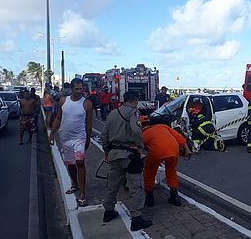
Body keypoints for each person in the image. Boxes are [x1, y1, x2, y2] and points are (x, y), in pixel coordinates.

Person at [101, 91, 153, 231]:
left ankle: (108, 211)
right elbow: (136, 131)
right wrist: (140, 148)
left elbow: (104, 134)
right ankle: (136, 219)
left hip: (114, 154)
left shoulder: (113, 113)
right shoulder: (133, 113)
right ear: (135, 101)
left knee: (113, 185)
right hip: (129, 155)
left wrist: (107, 151)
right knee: (136, 187)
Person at [49, 78, 93, 207]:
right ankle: (75, 184)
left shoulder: (87, 103)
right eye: (76, 89)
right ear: (71, 89)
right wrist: (52, 133)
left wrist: (88, 138)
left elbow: (89, 123)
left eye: (81, 89)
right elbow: (58, 118)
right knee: (70, 163)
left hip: (80, 137)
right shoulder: (63, 101)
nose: (79, 91)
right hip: (65, 137)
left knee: (80, 162)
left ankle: (82, 193)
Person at [142, 120, 191, 207]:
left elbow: (141, 148)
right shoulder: (163, 126)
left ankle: (150, 198)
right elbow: (180, 138)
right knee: (171, 171)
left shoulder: (144, 133)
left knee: (149, 172)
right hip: (173, 149)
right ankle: (175, 197)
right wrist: (187, 150)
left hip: (157, 151)